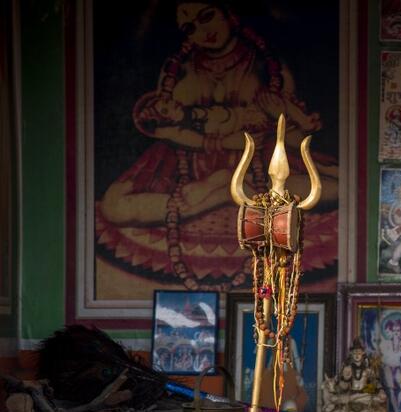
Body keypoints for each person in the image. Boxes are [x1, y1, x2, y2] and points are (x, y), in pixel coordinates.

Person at [96, 1, 338, 293]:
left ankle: (230, 191)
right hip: (188, 162)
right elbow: (164, 127)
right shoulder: (178, 69)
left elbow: (285, 125)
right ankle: (223, 192)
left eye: (207, 17)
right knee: (114, 206)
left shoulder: (266, 63)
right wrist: (216, 141)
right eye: (190, 28)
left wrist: (296, 126)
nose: (202, 30)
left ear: (229, 14)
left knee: (337, 189)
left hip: (258, 162)